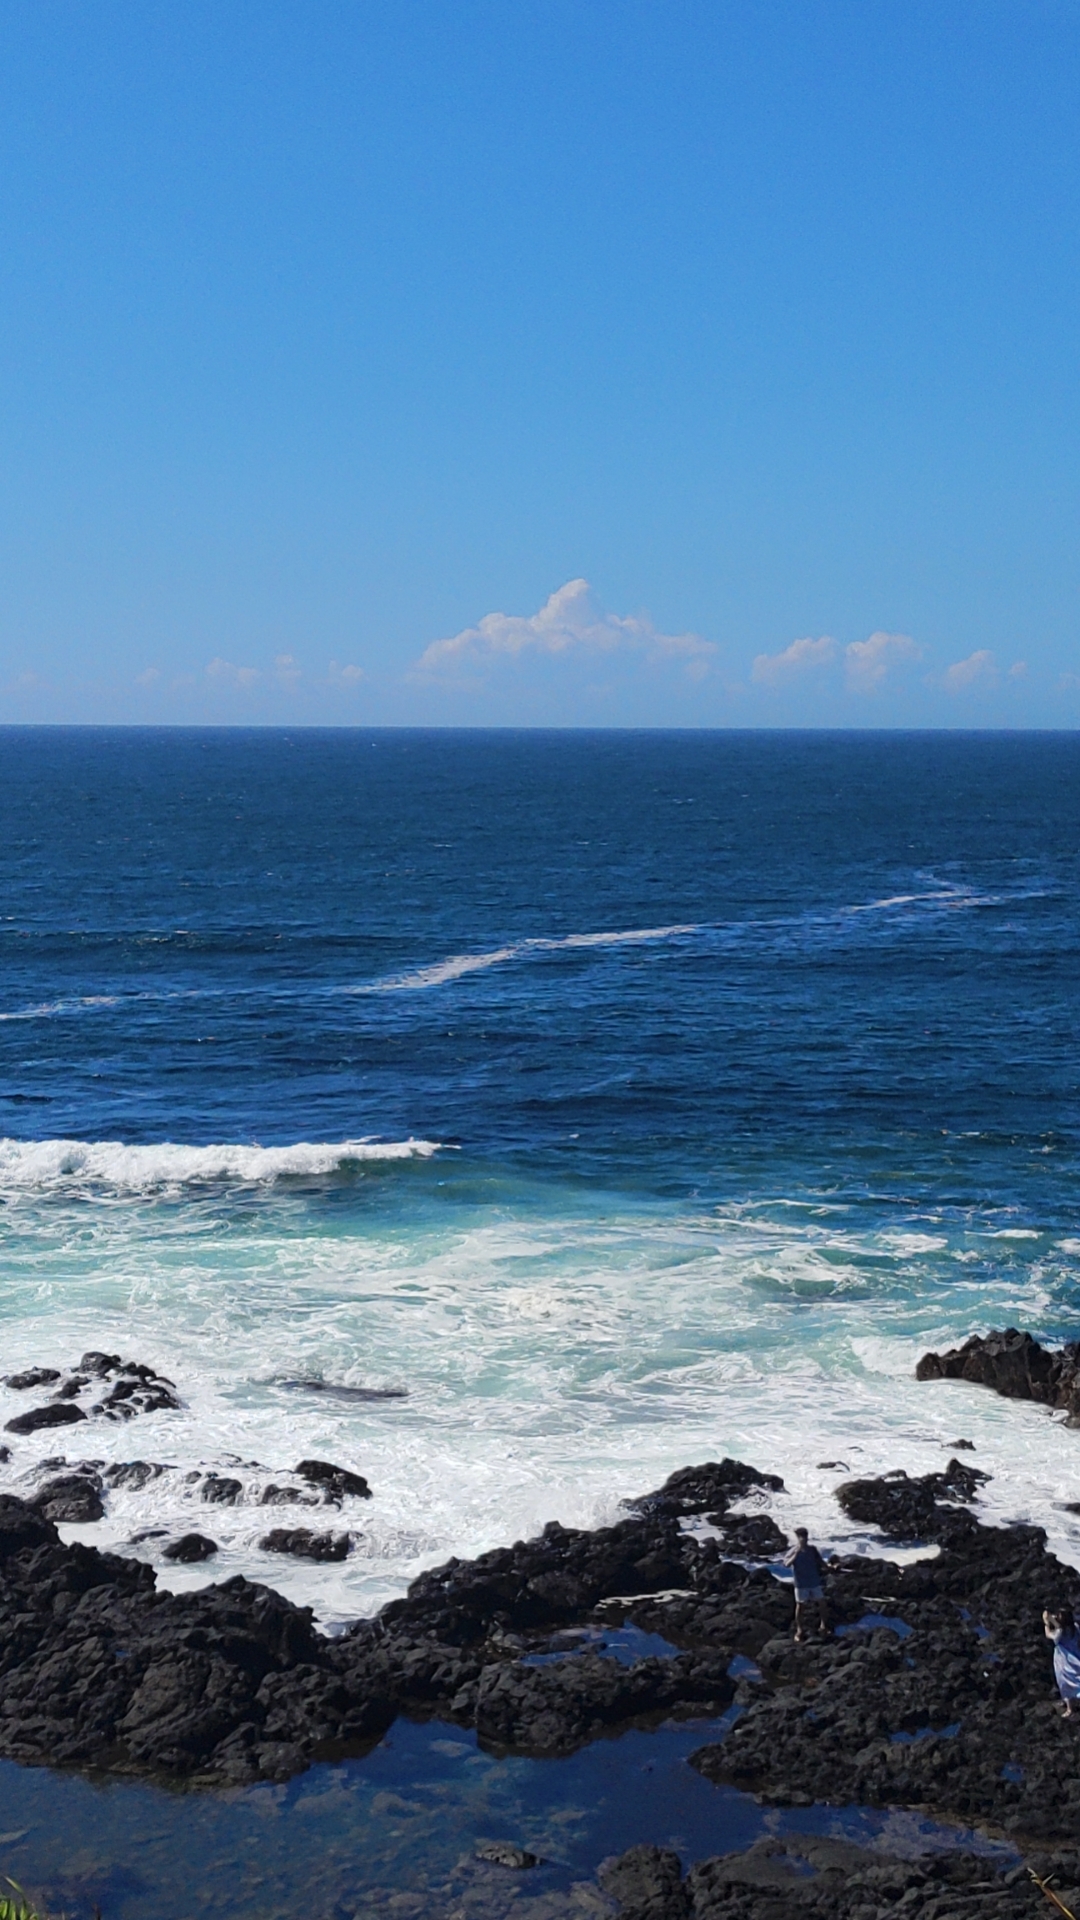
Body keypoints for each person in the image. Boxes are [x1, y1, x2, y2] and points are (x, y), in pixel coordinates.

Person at [785, 1527, 829, 1641]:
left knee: (822, 1603)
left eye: (804, 1536)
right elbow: (786, 1564)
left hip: (814, 1581)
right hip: (801, 1584)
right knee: (800, 1606)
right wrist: (796, 1554)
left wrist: (830, 1567)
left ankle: (823, 1626)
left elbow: (820, 1562)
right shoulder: (793, 1551)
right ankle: (800, 1630)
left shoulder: (812, 1550)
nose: (803, 1539)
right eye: (801, 1537)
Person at [1043, 1606, 1080, 1718]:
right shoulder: (1076, 1627)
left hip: (1064, 1661)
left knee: (1065, 1682)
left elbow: (1049, 1634)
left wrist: (1046, 1622)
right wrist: (1052, 1619)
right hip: (1076, 1657)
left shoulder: (1060, 1633)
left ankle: (1070, 1708)